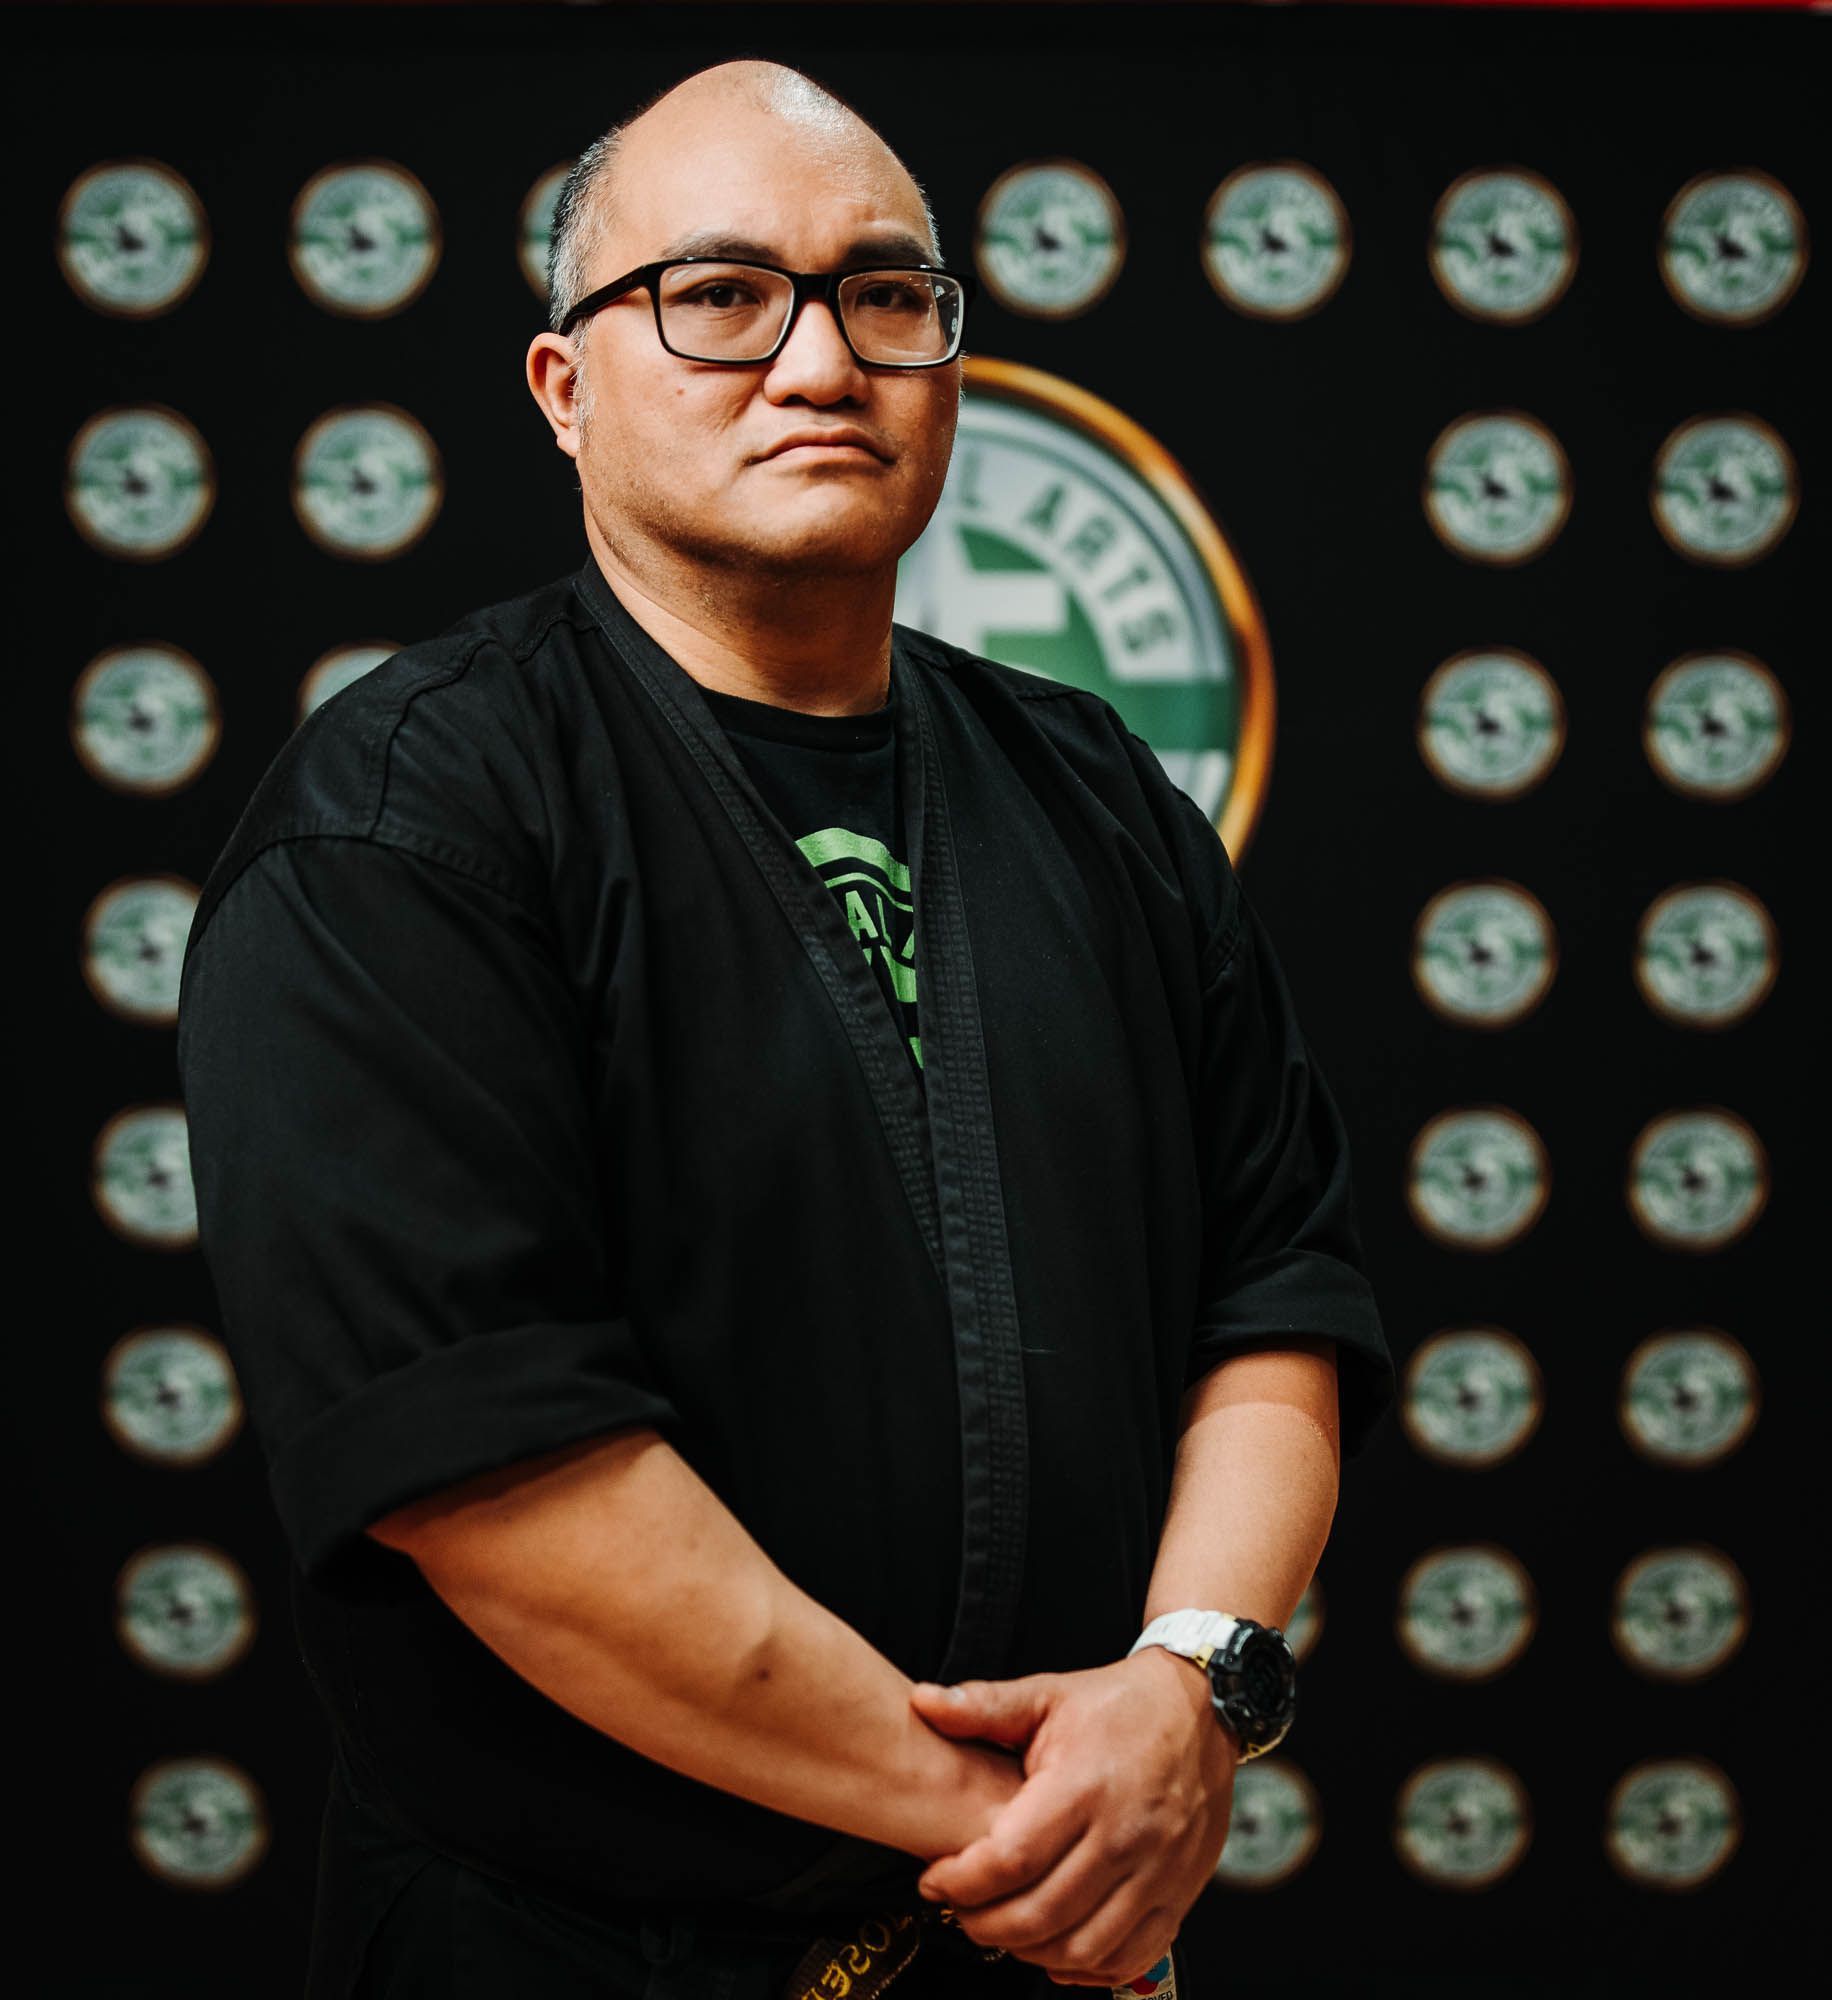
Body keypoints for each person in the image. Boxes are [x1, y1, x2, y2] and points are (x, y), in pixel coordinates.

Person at [175, 57, 1394, 2000]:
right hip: (589, 1954)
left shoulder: (1094, 792)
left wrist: (1182, 1693)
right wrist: (1056, 1828)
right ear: (565, 388)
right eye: (719, 292)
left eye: (884, 293)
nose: (819, 357)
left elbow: (1272, 1298)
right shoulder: (409, 821)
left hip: (1040, 1944)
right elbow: (495, 1473)